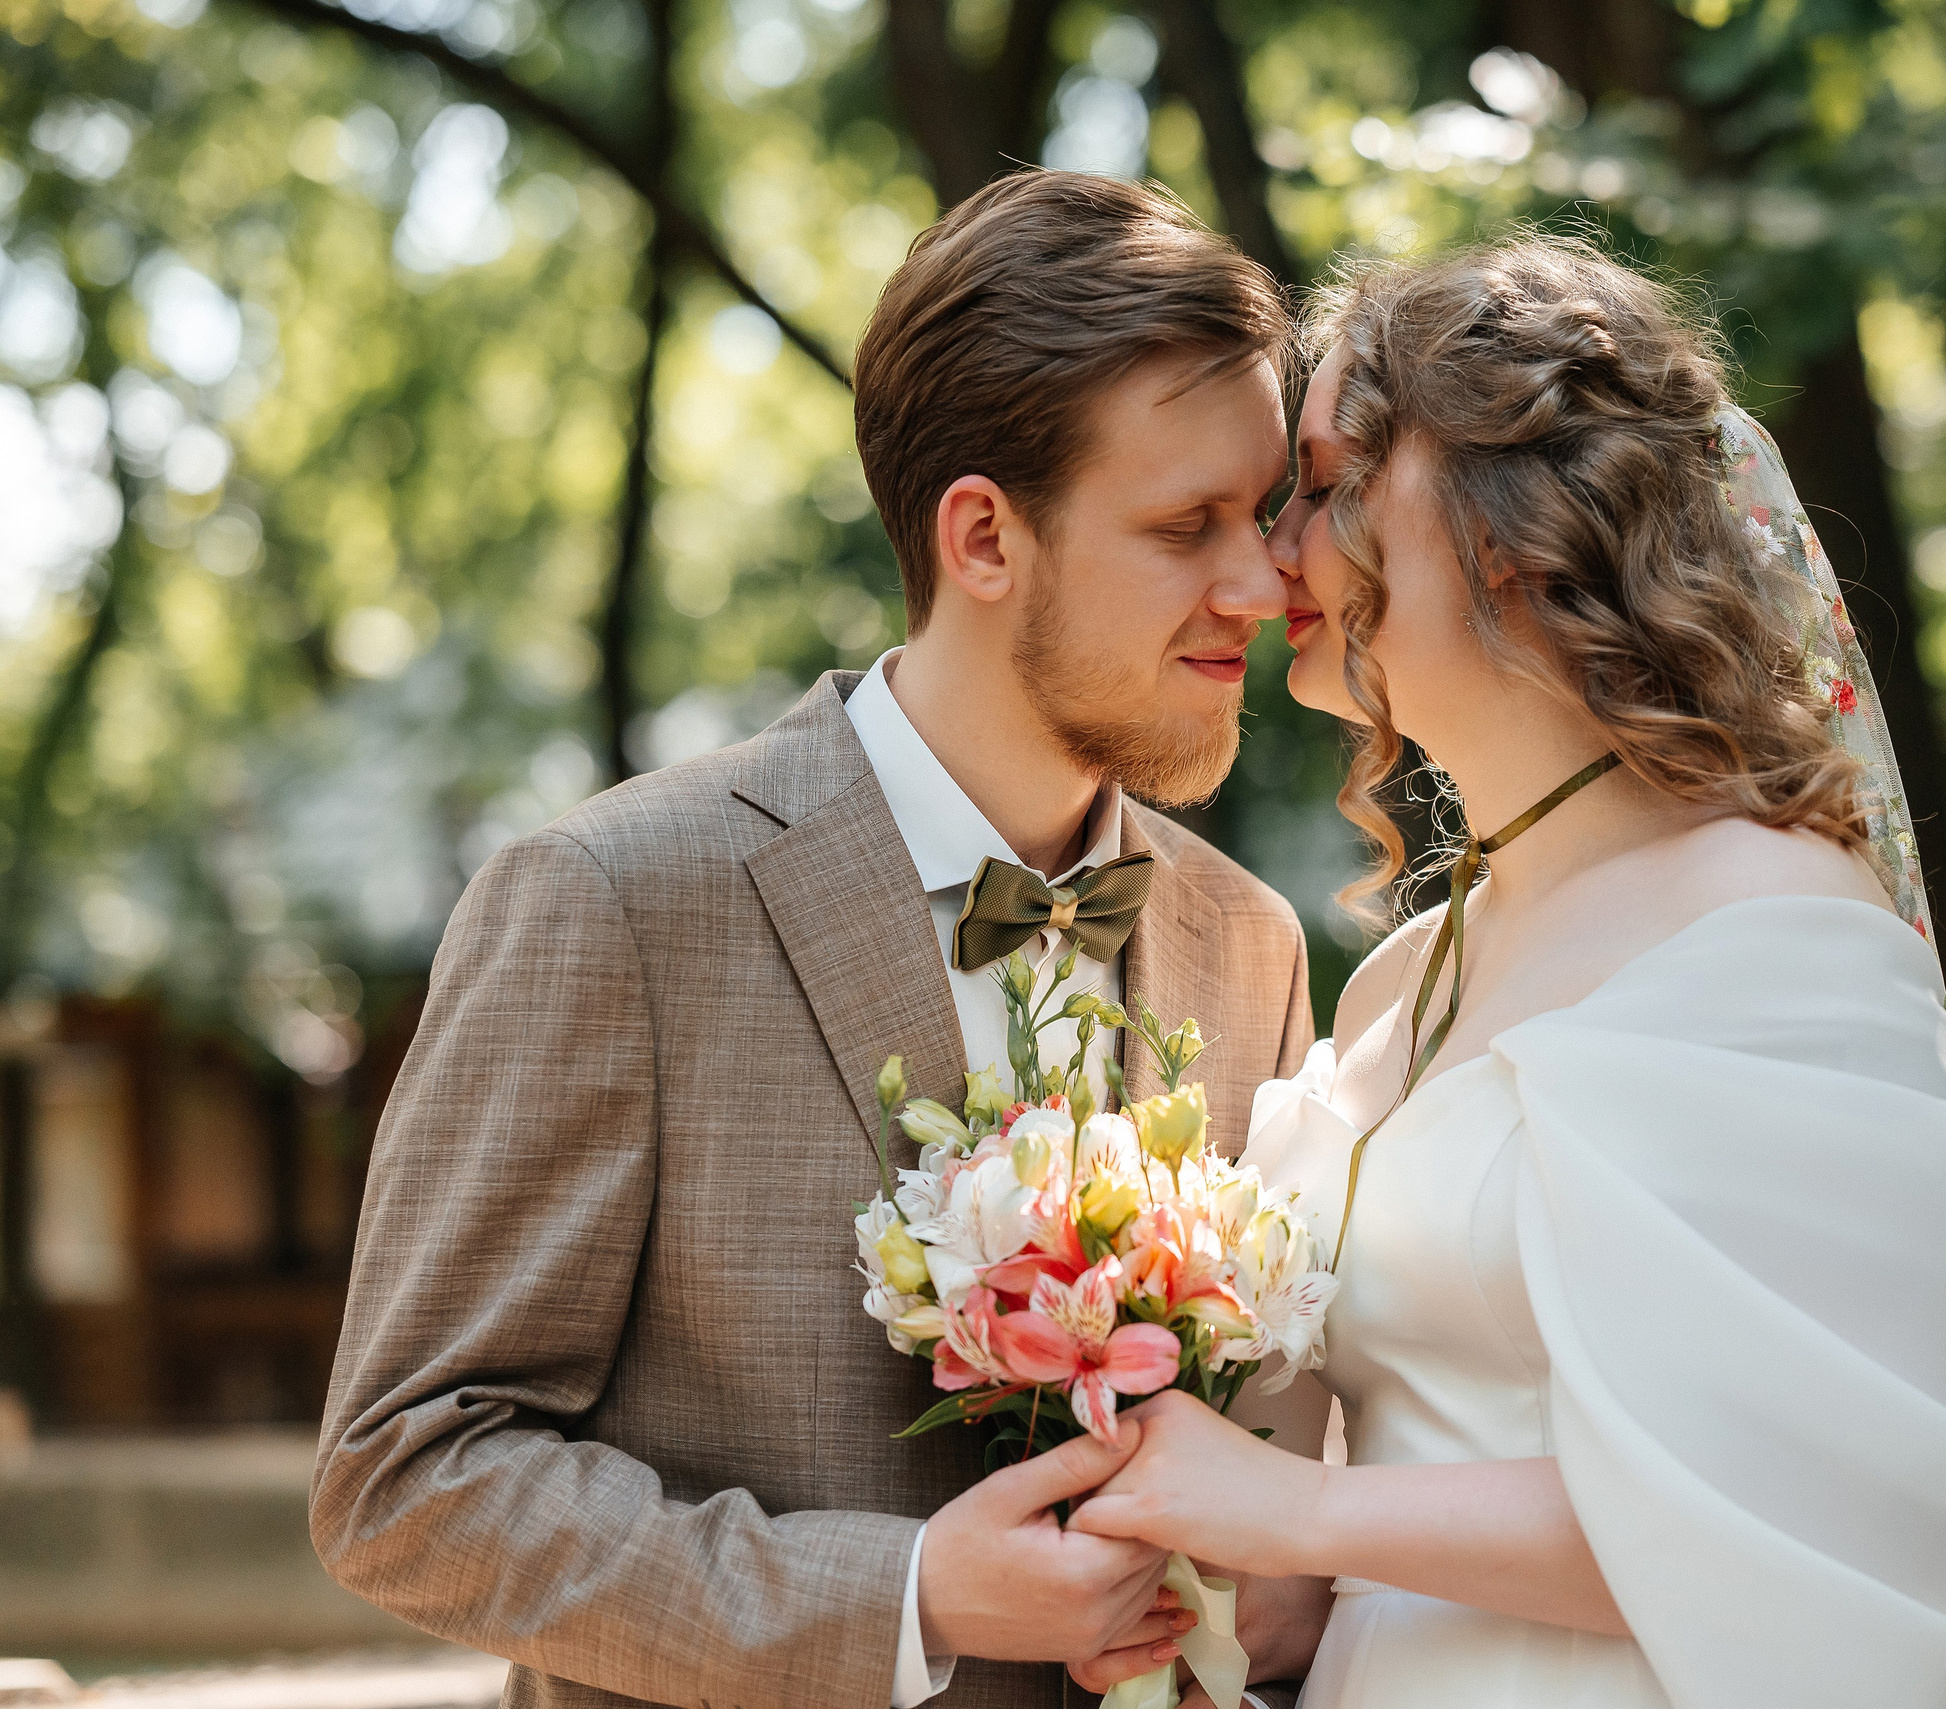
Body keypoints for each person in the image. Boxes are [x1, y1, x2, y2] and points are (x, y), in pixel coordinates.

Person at [311, 170, 1335, 1709]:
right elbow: (404, 1478)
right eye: (1188, 525)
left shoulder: (1251, 946)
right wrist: (908, 1596)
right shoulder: (609, 902)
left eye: (1259, 514)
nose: (1261, 583)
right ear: (983, 537)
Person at [1063, 238, 1946, 1708]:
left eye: (1328, 485)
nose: (1276, 551)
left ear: (1510, 522)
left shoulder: (1774, 924)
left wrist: (1297, 1513)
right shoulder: (1398, 984)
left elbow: (1802, 1519)